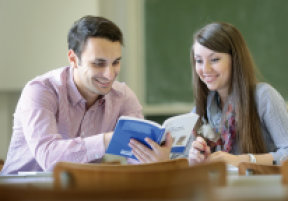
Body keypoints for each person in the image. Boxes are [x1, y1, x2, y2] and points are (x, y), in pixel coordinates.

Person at [0, 16, 170, 175]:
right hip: (19, 193)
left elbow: (136, 160)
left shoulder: (123, 96)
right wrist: (106, 140)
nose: (109, 74)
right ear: (73, 59)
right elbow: (49, 158)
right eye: (98, 63)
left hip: (78, 192)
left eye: (116, 62)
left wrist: (154, 159)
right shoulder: (40, 90)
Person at [188, 22, 288, 166]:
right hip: (223, 187)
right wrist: (196, 158)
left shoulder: (264, 97)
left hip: (264, 186)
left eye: (214, 59)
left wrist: (242, 160)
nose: (205, 69)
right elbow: (178, 157)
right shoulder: (203, 107)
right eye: (199, 60)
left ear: (235, 59)